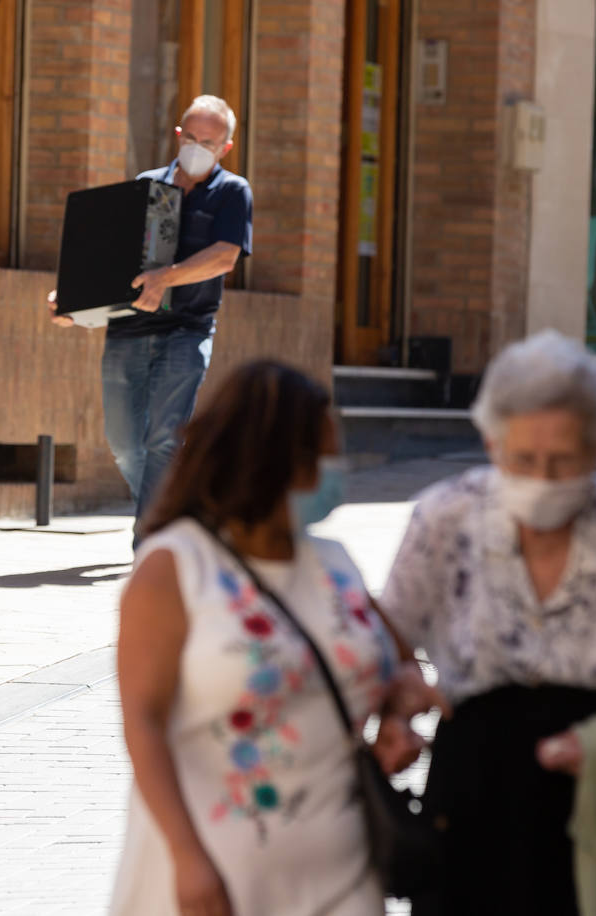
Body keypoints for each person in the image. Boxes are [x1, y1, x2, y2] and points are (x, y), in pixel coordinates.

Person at [379, 330, 596, 914]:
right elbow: (384, 645)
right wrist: (396, 705)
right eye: (522, 460)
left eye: (562, 461)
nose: (541, 477)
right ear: (491, 444)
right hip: (472, 804)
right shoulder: (446, 519)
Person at [111, 360, 440, 916]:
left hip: (344, 874)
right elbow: (142, 721)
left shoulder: (334, 562)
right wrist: (187, 859)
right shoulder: (174, 567)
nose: (337, 472)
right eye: (322, 458)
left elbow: (399, 663)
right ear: (269, 462)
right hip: (216, 879)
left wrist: (397, 717)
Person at [49, 95, 252, 538]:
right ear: (179, 135)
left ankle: (152, 537)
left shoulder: (232, 192)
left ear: (226, 148)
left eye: (210, 142)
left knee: (163, 439)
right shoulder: (147, 186)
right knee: (123, 446)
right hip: (128, 331)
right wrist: (73, 304)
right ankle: (179, 509)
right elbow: (116, 263)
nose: (199, 147)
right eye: (192, 137)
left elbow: (224, 257)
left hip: (187, 330)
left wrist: (167, 278)